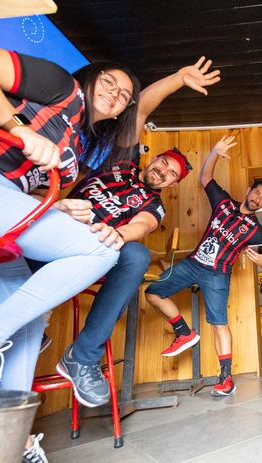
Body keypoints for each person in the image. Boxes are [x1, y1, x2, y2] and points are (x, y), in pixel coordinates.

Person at [0, 38, 138, 461]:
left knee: (27, 320)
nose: (115, 94)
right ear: (91, 77)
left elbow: (22, 185)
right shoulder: (62, 88)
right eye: (110, 83)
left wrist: (58, 205)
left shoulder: (76, 148)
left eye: (124, 97)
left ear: (119, 113)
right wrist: (15, 125)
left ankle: (9, 439)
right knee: (99, 251)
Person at [47, 58, 221, 407]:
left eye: (171, 174)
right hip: (60, 228)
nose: (162, 172)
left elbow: (144, 225)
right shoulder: (122, 160)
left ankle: (82, 357)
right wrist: (177, 77)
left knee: (137, 254)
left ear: (172, 184)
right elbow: (139, 108)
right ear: (153, 158)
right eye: (163, 164)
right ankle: (29, 321)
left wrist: (122, 233)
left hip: (99, 245)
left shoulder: (156, 205)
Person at [145, 136, 262, 397]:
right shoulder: (223, 202)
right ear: (249, 190)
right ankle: (183, 332)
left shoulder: (256, 231)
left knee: (218, 323)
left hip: (218, 275)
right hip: (192, 264)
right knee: (153, 292)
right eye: (257, 193)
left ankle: (226, 378)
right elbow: (205, 176)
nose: (258, 199)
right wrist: (214, 152)